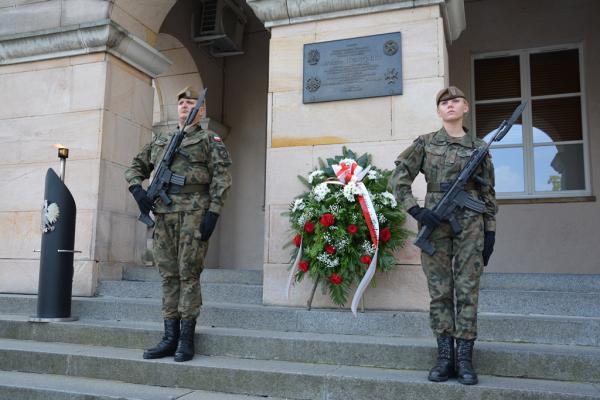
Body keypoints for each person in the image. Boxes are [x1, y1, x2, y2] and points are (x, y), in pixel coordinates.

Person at [389, 86, 497, 385]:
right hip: (435, 224)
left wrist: (490, 232)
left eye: (456, 101)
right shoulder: (424, 143)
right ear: (438, 111)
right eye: (443, 102)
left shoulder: (480, 148)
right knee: (440, 292)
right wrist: (416, 211)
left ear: (466, 107)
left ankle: (464, 359)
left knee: (467, 290)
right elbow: (397, 179)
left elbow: (487, 193)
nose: (449, 105)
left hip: (471, 226)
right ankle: (444, 357)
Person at [124, 86, 232, 362]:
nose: (185, 106)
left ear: (201, 110)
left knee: (188, 274)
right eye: (182, 103)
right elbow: (135, 166)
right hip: (164, 216)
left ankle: (186, 339)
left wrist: (214, 212)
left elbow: (221, 177)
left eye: (191, 103)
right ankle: (169, 337)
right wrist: (137, 190)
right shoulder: (161, 140)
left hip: (194, 214)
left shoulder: (210, 140)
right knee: (169, 276)